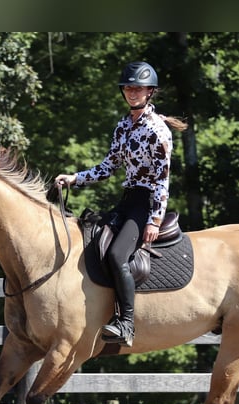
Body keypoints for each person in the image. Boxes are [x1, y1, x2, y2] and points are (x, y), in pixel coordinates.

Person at [55, 61, 187, 347]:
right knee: (90, 241)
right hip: (127, 199)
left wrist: (154, 219)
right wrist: (75, 179)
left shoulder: (158, 130)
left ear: (150, 91)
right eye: (128, 87)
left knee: (117, 255)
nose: (132, 92)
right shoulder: (123, 127)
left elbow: (163, 179)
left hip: (145, 203)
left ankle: (126, 323)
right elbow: (108, 167)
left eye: (138, 88)